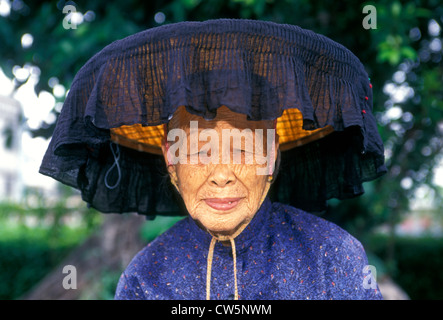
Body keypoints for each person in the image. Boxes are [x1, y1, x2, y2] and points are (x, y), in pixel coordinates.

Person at [40, 19, 386, 300]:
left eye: (242, 148)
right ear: (171, 163)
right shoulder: (146, 276)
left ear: (271, 158)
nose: (221, 174)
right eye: (200, 150)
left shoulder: (332, 256)